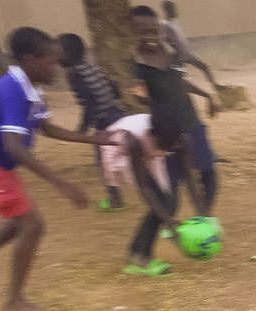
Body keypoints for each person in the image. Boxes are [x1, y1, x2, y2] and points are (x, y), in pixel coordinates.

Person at [0, 27, 116, 311]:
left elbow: (48, 129)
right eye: (51, 62)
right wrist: (60, 183)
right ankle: (13, 301)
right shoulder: (11, 90)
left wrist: (95, 139)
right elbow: (13, 145)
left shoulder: (32, 89)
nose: (57, 69)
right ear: (30, 60)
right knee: (32, 224)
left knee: (22, 220)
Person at [129, 5, 220, 214]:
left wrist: (207, 95)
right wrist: (141, 98)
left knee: (209, 176)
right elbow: (139, 93)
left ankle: (202, 220)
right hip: (167, 134)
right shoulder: (135, 65)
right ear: (134, 32)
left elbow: (180, 83)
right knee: (171, 195)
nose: (151, 37)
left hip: (192, 123)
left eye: (154, 31)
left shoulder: (173, 52)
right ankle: (161, 226)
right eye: (144, 32)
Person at [102, 106, 207, 276]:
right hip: (120, 149)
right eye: (166, 144)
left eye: (173, 144)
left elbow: (189, 177)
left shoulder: (179, 139)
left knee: (169, 201)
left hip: (149, 151)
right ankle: (139, 256)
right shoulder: (133, 140)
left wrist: (202, 213)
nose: (170, 148)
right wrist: (168, 221)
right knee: (160, 203)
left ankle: (137, 252)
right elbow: (145, 188)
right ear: (153, 134)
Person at [58, 33, 130, 209]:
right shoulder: (92, 67)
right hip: (117, 113)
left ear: (69, 53)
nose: (55, 57)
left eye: (58, 52)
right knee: (126, 154)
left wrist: (82, 130)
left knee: (104, 162)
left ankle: (115, 199)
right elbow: (114, 88)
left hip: (105, 121)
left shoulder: (74, 74)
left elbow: (90, 102)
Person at [160, 0, 218, 88]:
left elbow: (179, 38)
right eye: (174, 9)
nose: (177, 11)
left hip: (187, 54)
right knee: (180, 76)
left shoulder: (175, 22)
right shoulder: (164, 24)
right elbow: (163, 40)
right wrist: (173, 51)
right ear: (168, 10)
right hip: (178, 57)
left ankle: (216, 86)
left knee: (204, 67)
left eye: (176, 9)